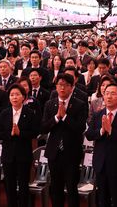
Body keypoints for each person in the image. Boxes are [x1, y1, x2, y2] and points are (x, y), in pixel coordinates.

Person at [40, 73, 88, 207]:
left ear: (72, 87)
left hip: (71, 152)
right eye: (60, 85)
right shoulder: (50, 104)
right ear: (56, 86)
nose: (62, 88)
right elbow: (43, 127)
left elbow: (80, 128)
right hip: (53, 152)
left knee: (71, 188)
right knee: (55, 187)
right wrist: (56, 118)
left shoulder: (80, 104)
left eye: (66, 85)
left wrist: (65, 117)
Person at [85, 83, 117, 207]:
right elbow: (89, 134)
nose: (109, 97)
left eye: (113, 94)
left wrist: (111, 130)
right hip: (100, 164)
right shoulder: (97, 115)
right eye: (106, 93)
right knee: (102, 200)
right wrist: (101, 131)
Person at [0, 84, 39, 207]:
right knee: (9, 185)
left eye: (17, 94)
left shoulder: (30, 113)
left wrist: (20, 133)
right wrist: (10, 134)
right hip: (8, 155)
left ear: (23, 97)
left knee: (23, 185)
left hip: (23, 155)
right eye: (12, 95)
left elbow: (35, 132)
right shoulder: (4, 113)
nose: (14, 97)